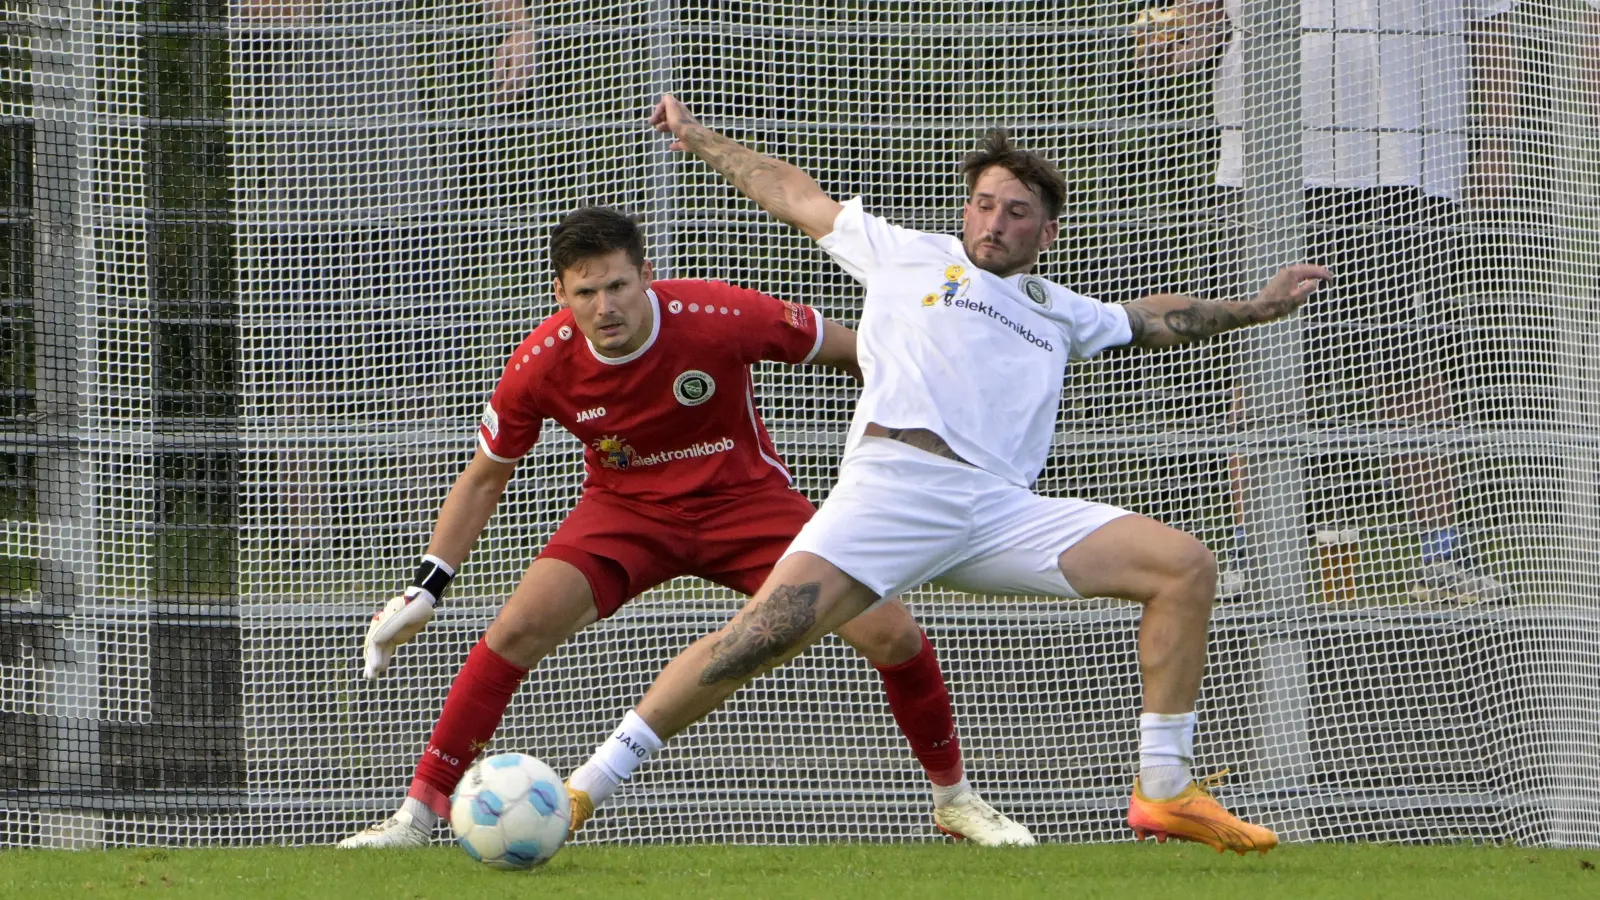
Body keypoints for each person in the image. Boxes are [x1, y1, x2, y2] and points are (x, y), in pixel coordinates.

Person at [560, 95, 1331, 855]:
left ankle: (1164, 789)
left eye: (1017, 212)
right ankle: (583, 790)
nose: (995, 223)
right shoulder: (908, 253)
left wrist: (1259, 308)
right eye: (984, 205)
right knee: (757, 638)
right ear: (966, 211)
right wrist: (699, 137)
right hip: (895, 489)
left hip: (1000, 510)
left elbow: (1153, 318)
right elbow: (794, 193)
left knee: (1185, 567)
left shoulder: (1056, 307)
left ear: (1047, 233)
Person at [337, 207, 1032, 848]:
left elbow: (865, 354)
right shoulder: (539, 363)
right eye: (586, 293)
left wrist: (926, 432)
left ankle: (954, 800)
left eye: (618, 285)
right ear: (560, 294)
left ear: (646, 274)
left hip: (748, 506)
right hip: (625, 513)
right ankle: (415, 816)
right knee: (515, 630)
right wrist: (427, 587)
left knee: (894, 633)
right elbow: (485, 476)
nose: (605, 307)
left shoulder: (718, 313)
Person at [1132, 0, 1564, 603]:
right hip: (1269, 163)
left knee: (1411, 367)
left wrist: (1497, 144)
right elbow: (1194, 30)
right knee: (1262, 366)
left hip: (1406, 166)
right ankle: (1252, 556)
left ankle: (1440, 556)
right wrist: (1166, 46)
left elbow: (1493, 26)